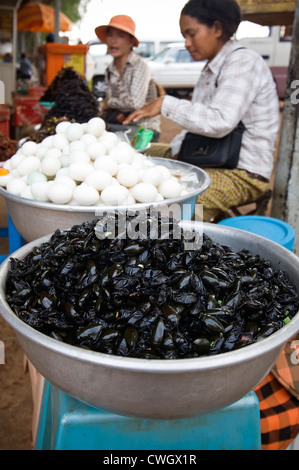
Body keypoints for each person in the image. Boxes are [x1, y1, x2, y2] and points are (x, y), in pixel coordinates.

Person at [124, 0, 280, 222]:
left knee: (177, 207)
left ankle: (185, 251)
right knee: (139, 155)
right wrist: (175, 154)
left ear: (217, 28)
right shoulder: (211, 69)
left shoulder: (243, 62)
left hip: (242, 173)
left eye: (191, 34)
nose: (187, 43)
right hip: (210, 158)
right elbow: (196, 125)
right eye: (184, 36)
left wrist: (165, 104)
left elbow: (219, 121)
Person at [94, 15, 161, 141]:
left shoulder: (140, 66)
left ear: (130, 42)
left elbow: (135, 103)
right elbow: (112, 106)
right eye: (110, 35)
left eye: (120, 36)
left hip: (144, 129)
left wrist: (108, 102)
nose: (114, 41)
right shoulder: (109, 70)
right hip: (122, 125)